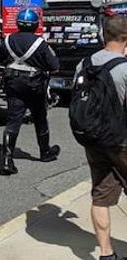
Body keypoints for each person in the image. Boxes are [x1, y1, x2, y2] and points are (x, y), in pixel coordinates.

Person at [74, 16, 127, 260]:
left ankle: (106, 254)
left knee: (101, 195)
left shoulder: (84, 63)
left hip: (93, 138)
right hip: (121, 141)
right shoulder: (124, 68)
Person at [0, 8, 60, 176]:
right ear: (35, 24)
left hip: (14, 85)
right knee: (40, 118)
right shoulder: (40, 43)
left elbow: (0, 60)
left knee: (13, 121)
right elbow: (54, 66)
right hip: (35, 86)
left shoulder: (8, 40)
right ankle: (45, 152)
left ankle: (7, 160)